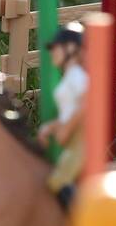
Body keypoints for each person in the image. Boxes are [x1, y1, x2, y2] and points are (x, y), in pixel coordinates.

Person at [38, 22, 88, 209]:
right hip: (74, 139)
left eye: (56, 48)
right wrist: (51, 127)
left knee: (58, 181)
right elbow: (69, 112)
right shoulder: (70, 77)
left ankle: (80, 223)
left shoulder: (76, 77)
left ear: (71, 49)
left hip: (81, 140)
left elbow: (87, 103)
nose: (53, 53)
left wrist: (66, 129)